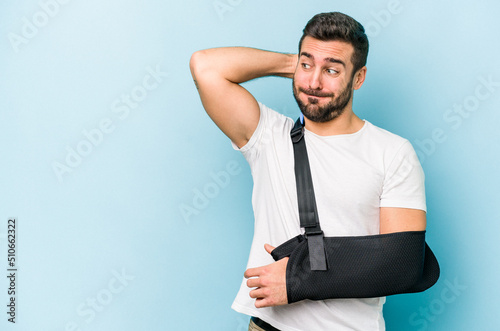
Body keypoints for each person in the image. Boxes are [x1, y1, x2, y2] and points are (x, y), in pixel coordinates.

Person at [190, 12, 426, 331]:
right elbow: (205, 66)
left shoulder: (393, 152)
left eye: (331, 69)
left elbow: (403, 264)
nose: (314, 83)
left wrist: (299, 279)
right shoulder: (269, 137)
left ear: (358, 77)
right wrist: (295, 64)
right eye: (307, 65)